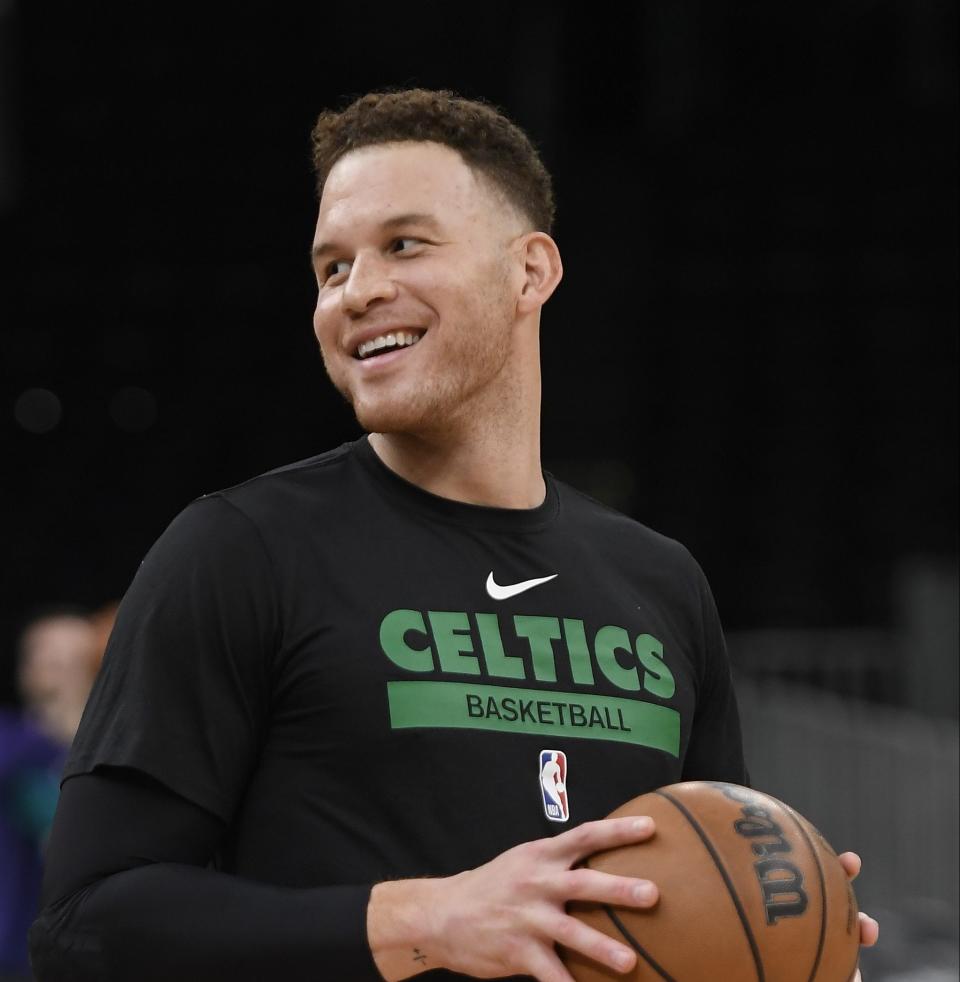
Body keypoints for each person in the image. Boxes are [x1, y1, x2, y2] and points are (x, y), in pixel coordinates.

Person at [28, 89, 878, 981]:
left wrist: (787, 941)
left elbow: (695, 906)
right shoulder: (236, 551)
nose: (358, 291)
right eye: (330, 268)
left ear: (531, 271)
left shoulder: (661, 582)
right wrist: (423, 917)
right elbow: (83, 927)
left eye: (404, 245)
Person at [1, 609, 99, 980]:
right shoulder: (12, 742)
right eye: (48, 662)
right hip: (13, 951)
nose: (59, 676)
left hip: (81, 952)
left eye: (75, 664)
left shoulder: (109, 754)